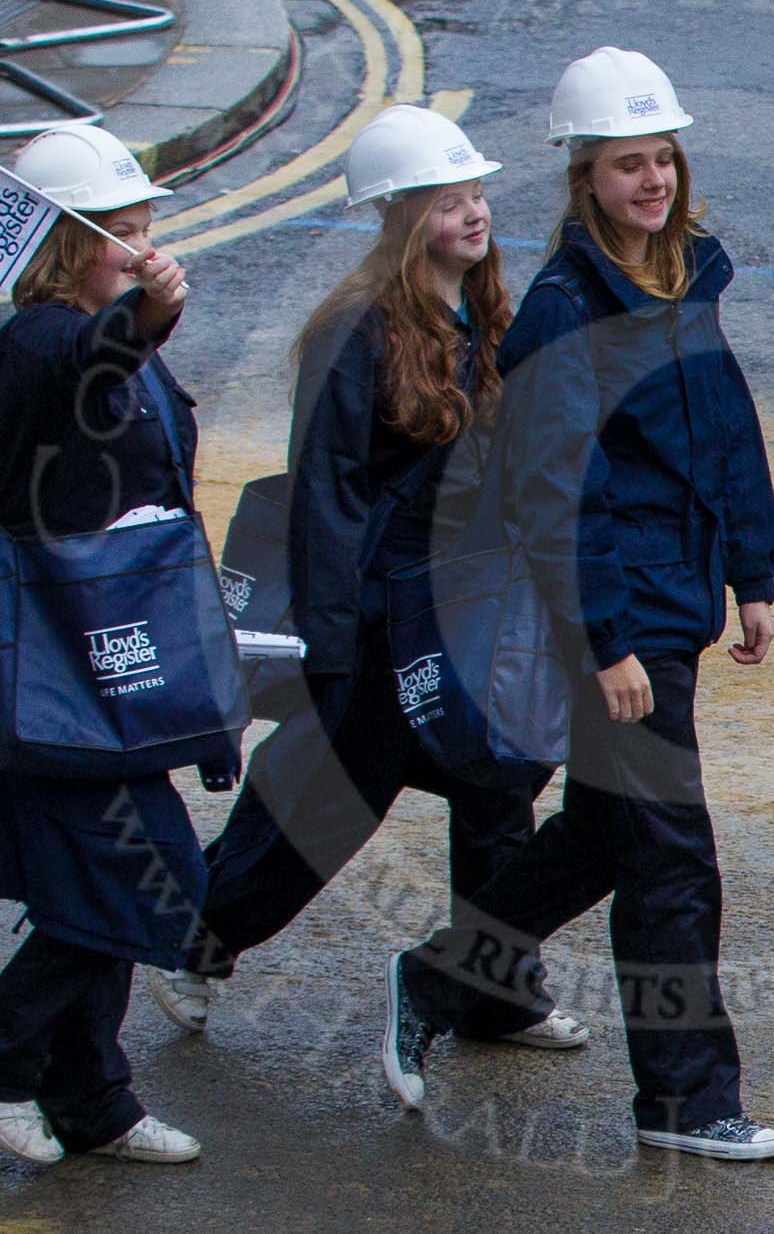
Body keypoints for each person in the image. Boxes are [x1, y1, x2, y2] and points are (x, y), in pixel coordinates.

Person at [382, 48, 774, 1161]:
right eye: (626, 164)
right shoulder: (565, 312)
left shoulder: (686, 272)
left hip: (675, 598)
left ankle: (439, 974)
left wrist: (751, 570)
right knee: (670, 856)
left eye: (662, 158)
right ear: (584, 178)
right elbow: (556, 496)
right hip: (616, 618)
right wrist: (605, 643)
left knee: (607, 835)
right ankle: (685, 1103)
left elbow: (726, 432)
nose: (651, 181)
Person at [150, 105, 587, 1052]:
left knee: (500, 785)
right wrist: (335, 639)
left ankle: (495, 989)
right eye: (447, 201)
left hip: (468, 606)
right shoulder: (355, 327)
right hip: (386, 617)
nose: (474, 213)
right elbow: (326, 495)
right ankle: (198, 938)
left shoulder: (486, 310)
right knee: (321, 807)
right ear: (399, 217)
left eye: (476, 193)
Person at [0, 124, 208, 1166]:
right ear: (63, 243)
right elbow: (88, 364)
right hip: (56, 653)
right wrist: (150, 312)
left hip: (108, 647)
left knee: (98, 877)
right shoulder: (43, 336)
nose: (141, 249)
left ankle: (92, 1095)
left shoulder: (93, 331)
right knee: (147, 869)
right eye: (120, 234)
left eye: (147, 231)